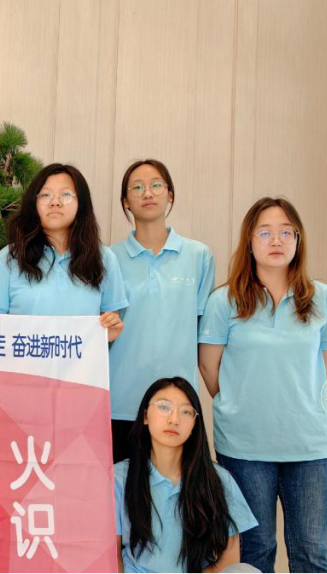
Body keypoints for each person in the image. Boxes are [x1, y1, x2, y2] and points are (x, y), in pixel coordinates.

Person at [199, 197, 327, 573]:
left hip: (308, 446)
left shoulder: (324, 300)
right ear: (249, 242)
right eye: (265, 233)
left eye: (286, 232)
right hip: (244, 447)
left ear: (299, 240)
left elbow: (318, 368)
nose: (276, 240)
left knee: (312, 551)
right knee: (256, 550)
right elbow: (209, 368)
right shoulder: (224, 301)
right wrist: (242, 402)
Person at [109, 159, 215, 463]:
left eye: (156, 185)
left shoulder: (199, 256)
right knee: (121, 489)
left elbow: (202, 332)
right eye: (137, 187)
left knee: (178, 490)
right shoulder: (109, 258)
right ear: (125, 201)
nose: (148, 193)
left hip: (178, 406)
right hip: (121, 402)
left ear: (170, 194)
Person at [116, 377, 258, 573]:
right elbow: (110, 556)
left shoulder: (218, 479)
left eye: (186, 411)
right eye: (164, 407)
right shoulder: (119, 478)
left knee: (245, 571)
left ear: (194, 425)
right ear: (145, 416)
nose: (174, 419)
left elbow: (229, 560)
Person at [0, 163, 127, 340]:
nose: (55, 202)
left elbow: (109, 322)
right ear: (34, 204)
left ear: (81, 203)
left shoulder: (104, 259)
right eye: (45, 195)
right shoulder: (8, 259)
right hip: (22, 358)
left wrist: (110, 328)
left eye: (66, 195)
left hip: (81, 359)